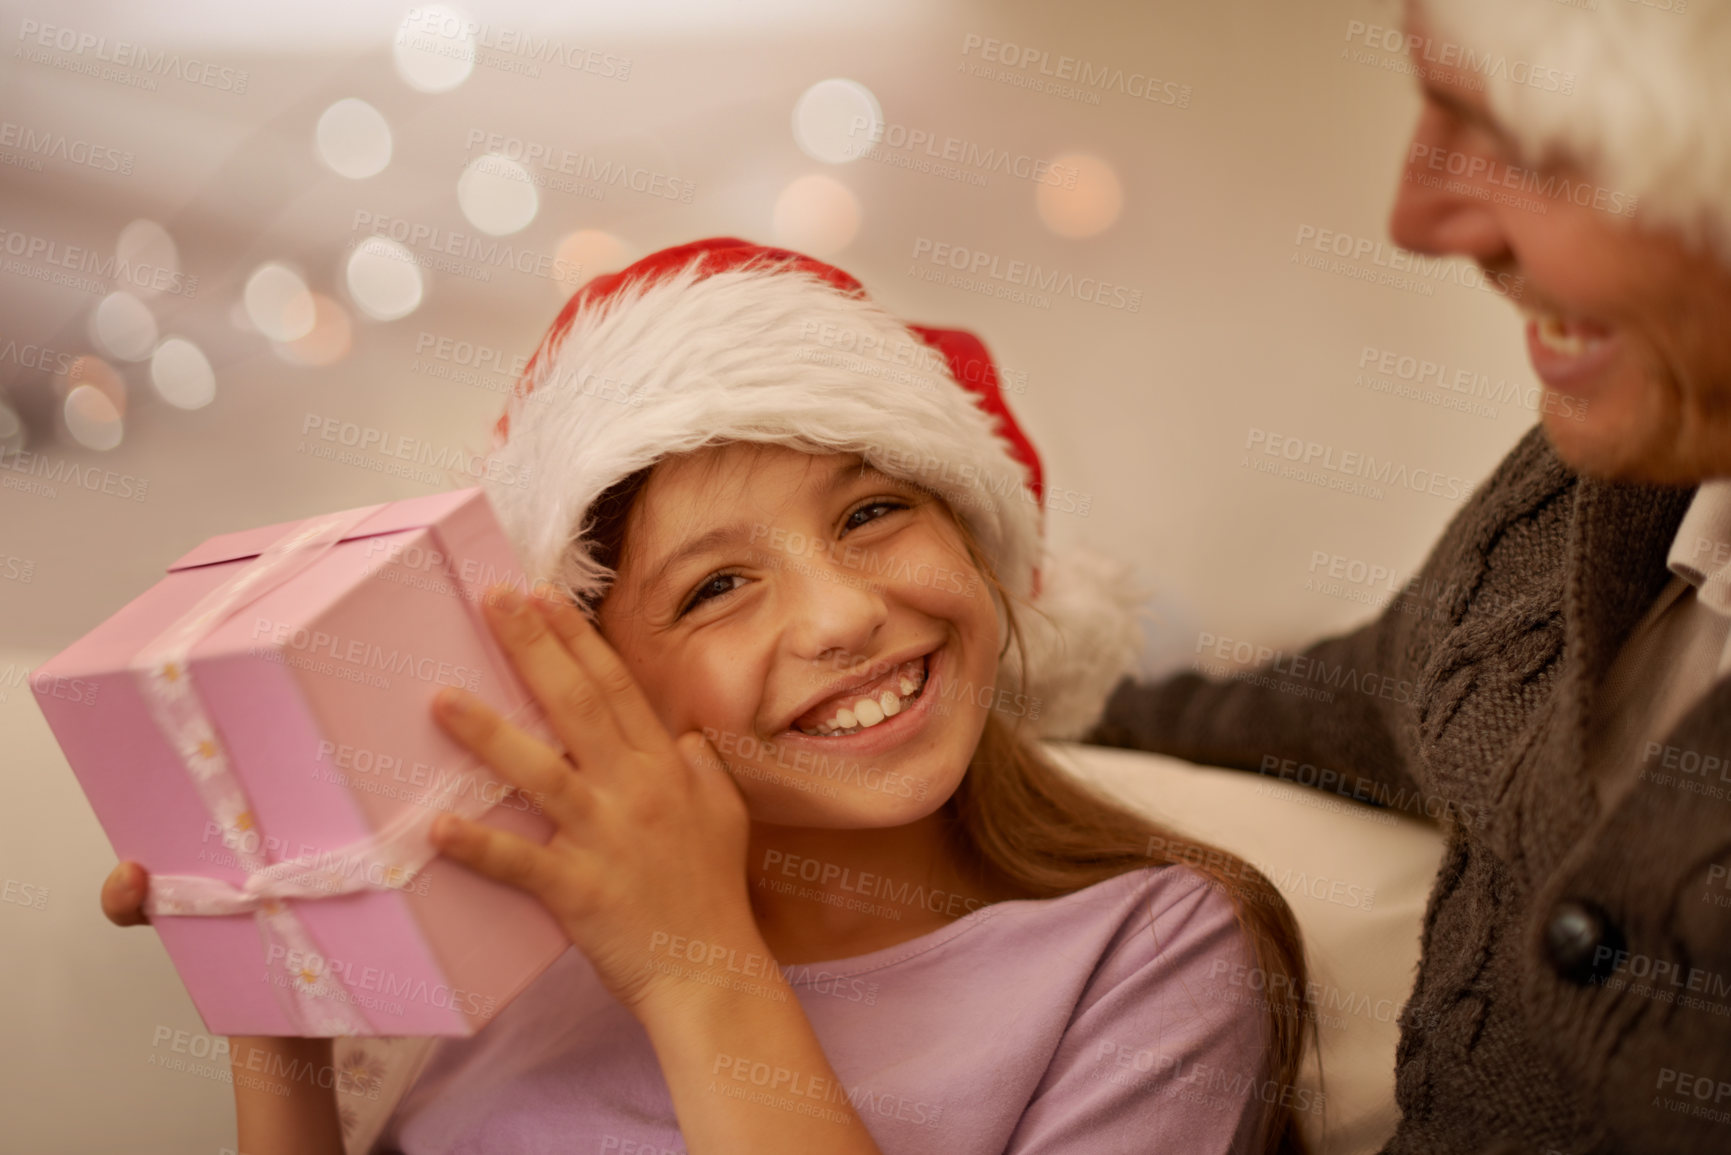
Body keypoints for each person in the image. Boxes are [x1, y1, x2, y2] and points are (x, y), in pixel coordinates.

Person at [102, 239, 1313, 1154]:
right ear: (594, 681)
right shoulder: (535, 948)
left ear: (981, 534)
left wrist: (691, 969)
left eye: (873, 511)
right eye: (717, 586)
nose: (841, 616)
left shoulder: (1154, 952)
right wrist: (275, 1007)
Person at [1088, 1, 1731, 1152]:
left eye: (1510, 129)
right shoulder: (1582, 499)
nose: (1418, 217)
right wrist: (1006, 700)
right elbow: (1359, 698)